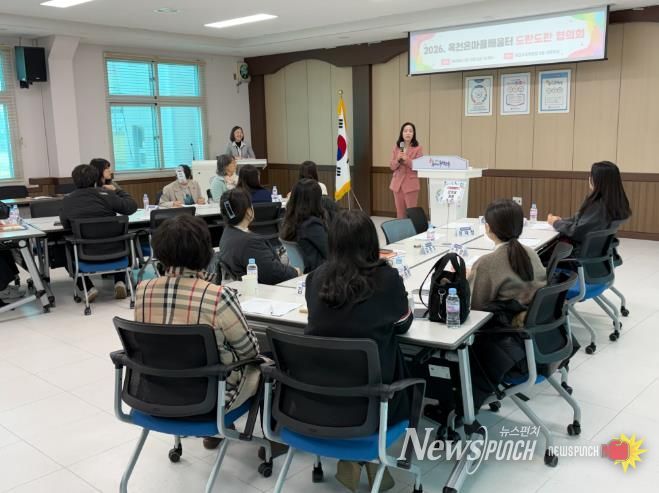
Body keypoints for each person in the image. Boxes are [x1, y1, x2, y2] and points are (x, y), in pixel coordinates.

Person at [304, 210, 411, 492]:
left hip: (320, 400)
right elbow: (403, 322)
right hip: (377, 400)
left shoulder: (315, 279)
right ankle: (367, 458)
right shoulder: (387, 279)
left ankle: (355, 459)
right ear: (371, 242)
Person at [134, 214, 261, 450]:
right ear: (205, 252)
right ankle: (271, 440)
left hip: (155, 392)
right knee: (267, 365)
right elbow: (250, 352)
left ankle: (217, 432)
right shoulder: (218, 296)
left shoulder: (143, 290)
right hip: (210, 399)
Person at [466, 199, 547, 410]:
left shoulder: (487, 263)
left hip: (507, 344)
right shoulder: (530, 253)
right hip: (538, 337)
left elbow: (475, 309)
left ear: (488, 228)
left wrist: (469, 279)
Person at [60, 164, 138, 301]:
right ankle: (120, 281)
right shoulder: (107, 195)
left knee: (63, 247)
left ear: (74, 180)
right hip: (116, 249)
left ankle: (88, 288)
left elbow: (65, 225)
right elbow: (131, 207)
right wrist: (117, 191)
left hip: (85, 251)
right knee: (127, 238)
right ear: (96, 178)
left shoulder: (68, 200)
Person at [547, 161, 631, 256]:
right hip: (596, 252)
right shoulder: (614, 203)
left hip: (578, 252)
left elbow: (576, 231)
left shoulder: (598, 205)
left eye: (591, 175)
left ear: (597, 180)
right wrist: (561, 221)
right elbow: (581, 221)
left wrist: (555, 223)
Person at [218, 188, 299, 284]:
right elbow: (273, 274)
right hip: (266, 288)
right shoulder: (250, 243)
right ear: (248, 211)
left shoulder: (227, 234)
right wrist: (296, 272)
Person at [280, 179, 328, 273]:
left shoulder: (290, 220)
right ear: (316, 200)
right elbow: (330, 252)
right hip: (320, 272)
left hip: (304, 271)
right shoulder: (311, 225)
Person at [390, 122, 423, 218]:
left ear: (413, 134)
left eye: (410, 131)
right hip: (397, 185)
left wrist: (406, 159)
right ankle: (401, 228)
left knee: (412, 213)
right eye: (405, 131)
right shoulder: (396, 148)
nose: (408, 133)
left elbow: (418, 166)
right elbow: (392, 166)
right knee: (400, 214)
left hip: (411, 185)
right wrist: (397, 160)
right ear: (402, 133)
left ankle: (412, 228)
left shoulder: (418, 148)